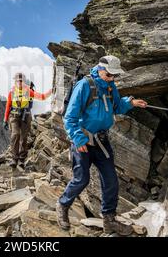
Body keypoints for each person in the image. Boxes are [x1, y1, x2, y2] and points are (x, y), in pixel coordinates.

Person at [56, 56, 148, 236]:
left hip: (101, 142)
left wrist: (130, 103)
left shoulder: (110, 86)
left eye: (114, 75)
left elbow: (116, 106)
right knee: (81, 179)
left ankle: (109, 220)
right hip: (83, 140)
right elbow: (69, 117)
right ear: (99, 69)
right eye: (109, 74)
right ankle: (62, 205)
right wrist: (78, 139)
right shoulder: (85, 85)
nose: (112, 78)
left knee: (111, 179)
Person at [3, 73, 52, 168]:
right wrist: (5, 119)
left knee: (24, 137)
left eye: (21, 80)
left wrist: (51, 91)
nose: (19, 82)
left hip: (26, 116)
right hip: (14, 116)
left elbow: (42, 97)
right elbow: (8, 106)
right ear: (15, 81)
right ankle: (14, 159)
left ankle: (21, 160)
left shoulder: (28, 91)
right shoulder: (12, 92)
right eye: (17, 80)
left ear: (24, 81)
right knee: (15, 134)